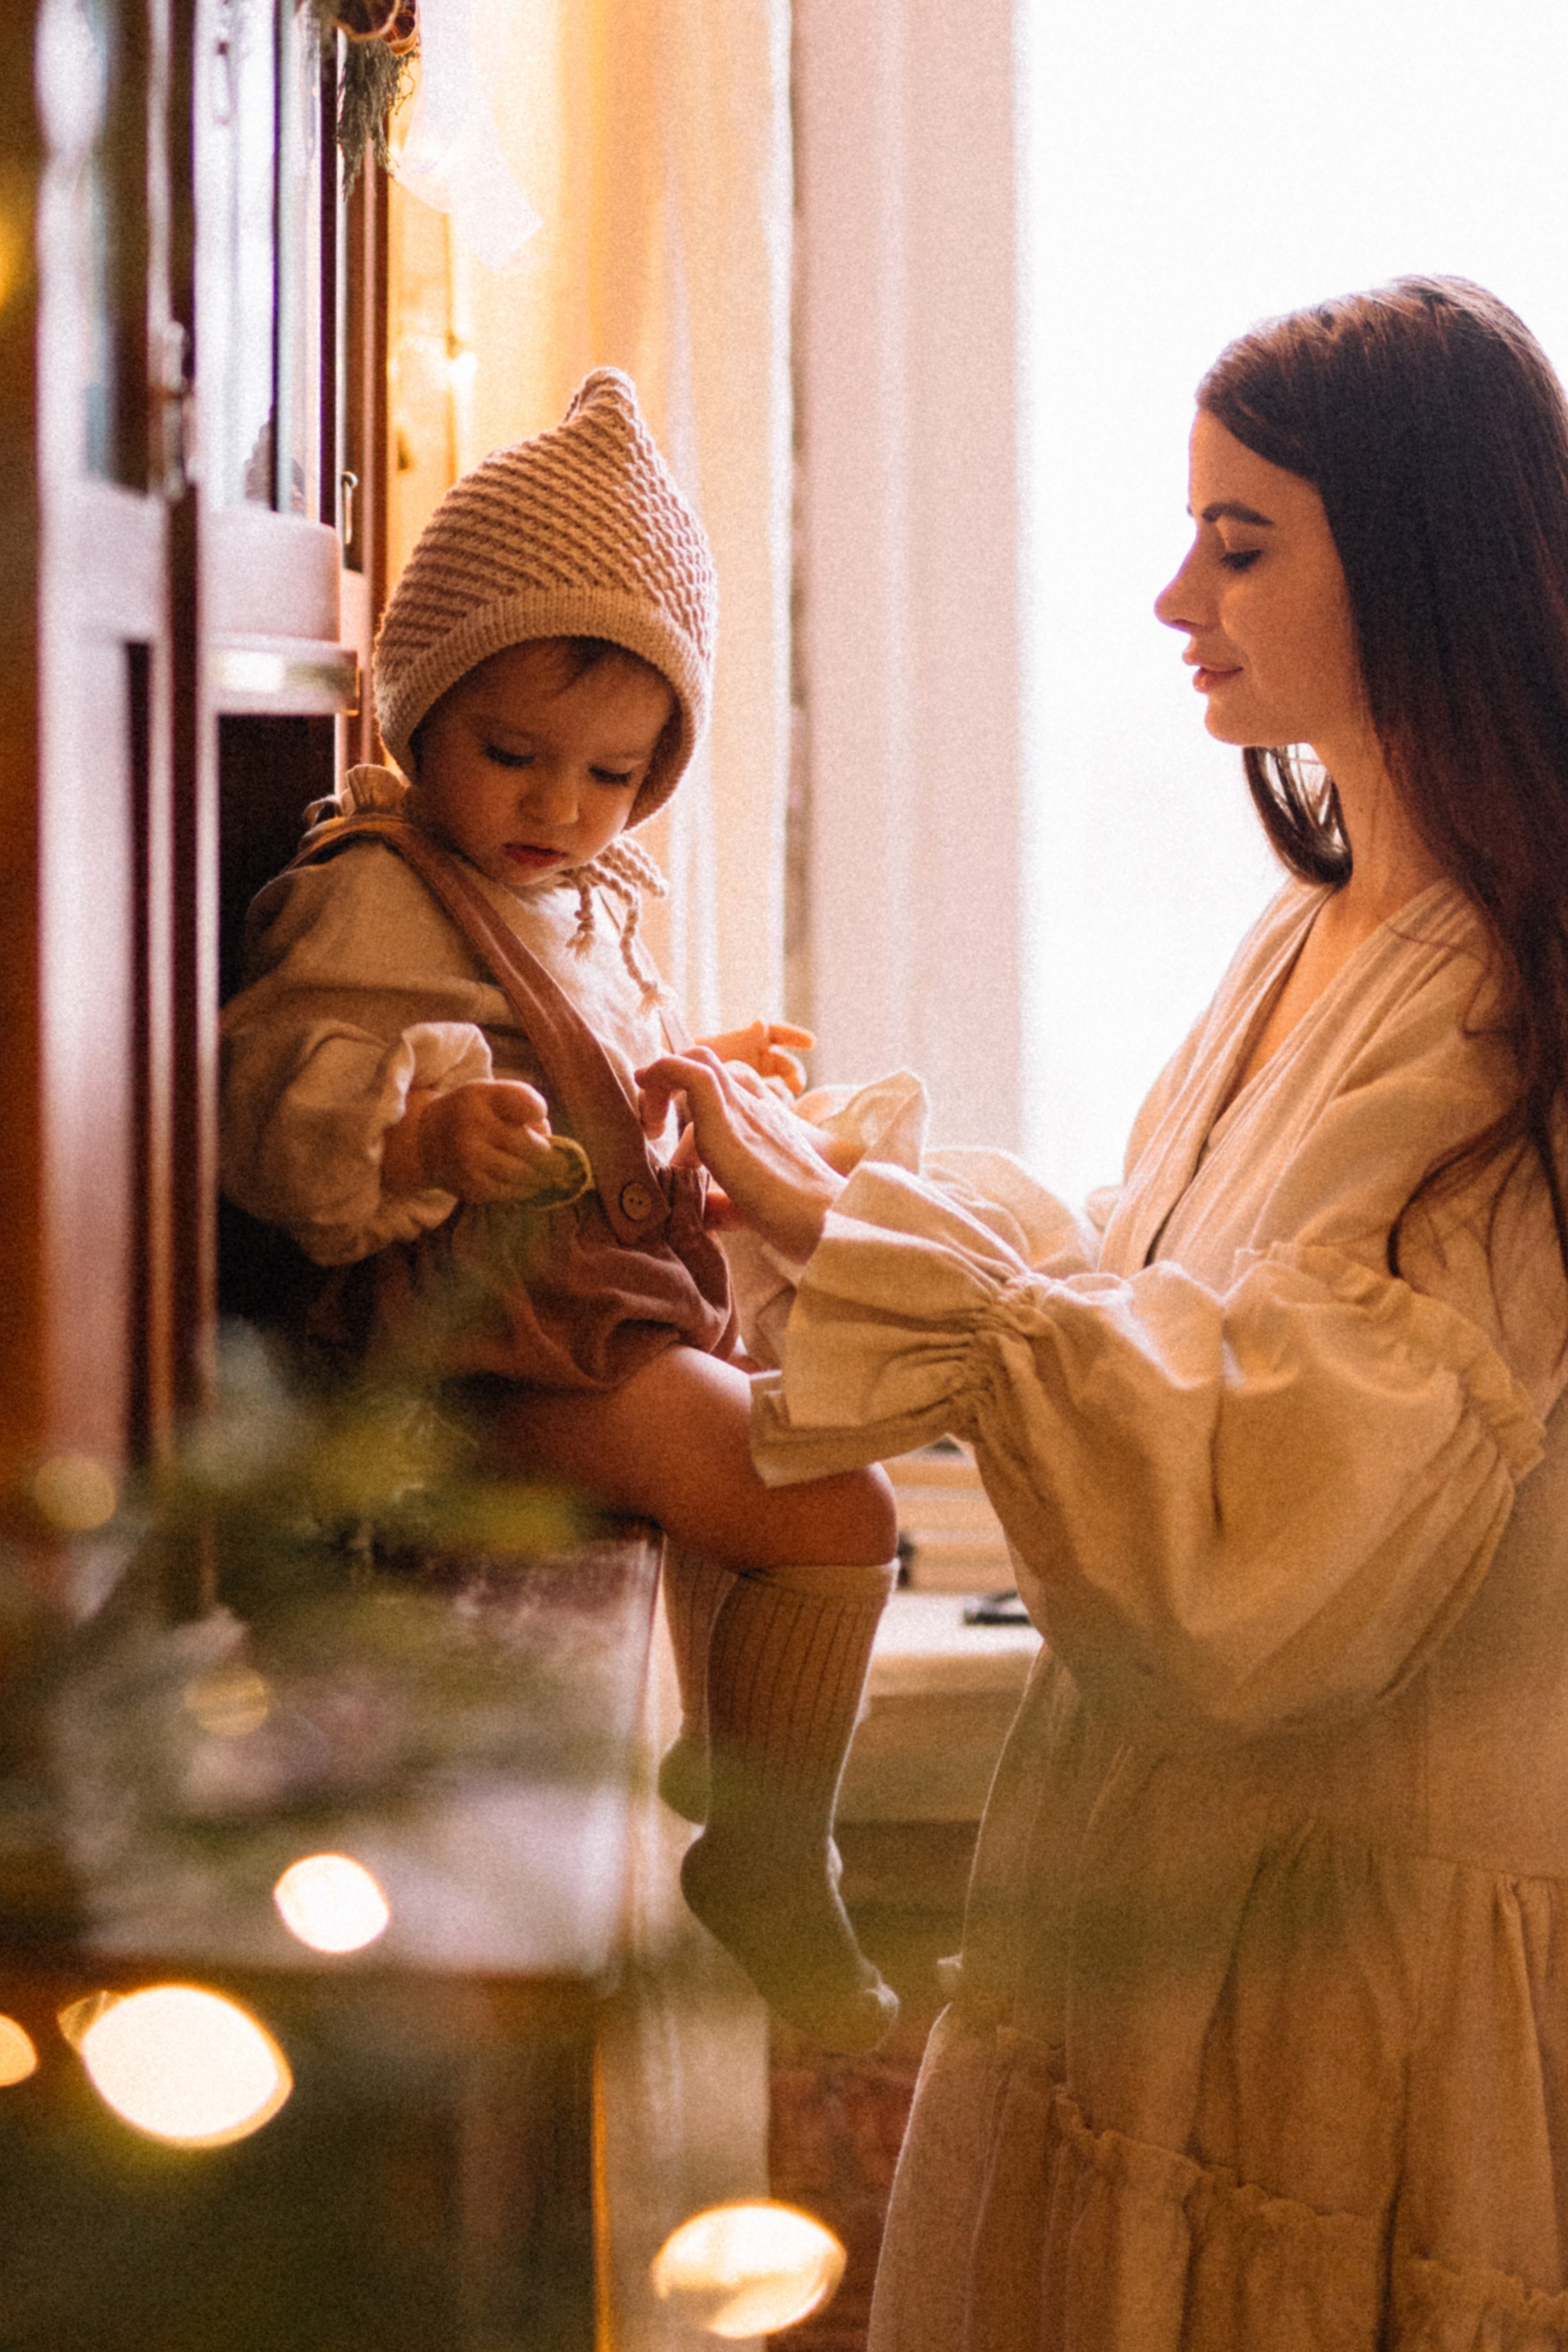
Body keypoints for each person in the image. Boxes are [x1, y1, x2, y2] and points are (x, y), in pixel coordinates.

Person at [635, 277, 1568, 2345]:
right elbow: (1151, 1290)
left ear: (1414, 559)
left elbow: (1273, 1532)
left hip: (1361, 1950)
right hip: (1191, 1886)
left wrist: (906, 1268)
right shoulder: (1319, 930)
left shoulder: (1507, 1006)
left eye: (1243, 543)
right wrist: (851, 1207)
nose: (1177, 595)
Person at [220, 369, 903, 2052]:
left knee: (812, 1480)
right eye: (512, 754)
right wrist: (424, 1135)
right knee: (837, 1509)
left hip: (582, 1318)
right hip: (477, 1361)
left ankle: (745, 1791)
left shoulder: (582, 890)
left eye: (612, 775)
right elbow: (271, 1096)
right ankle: (769, 1853)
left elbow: (586, 1038)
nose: (557, 809)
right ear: (416, 708)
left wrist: (690, 1064)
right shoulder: (374, 888)